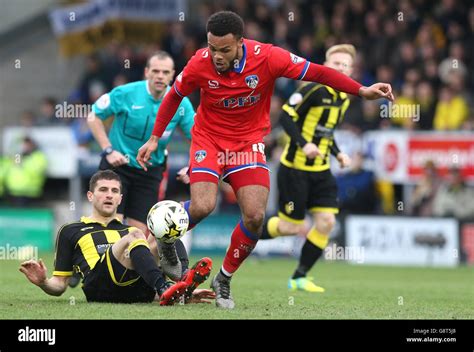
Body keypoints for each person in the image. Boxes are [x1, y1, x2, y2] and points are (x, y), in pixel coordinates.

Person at [137, 11, 394, 309]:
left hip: (248, 144)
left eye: (224, 49)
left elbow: (318, 72)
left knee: (255, 217)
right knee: (203, 206)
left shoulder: (269, 57)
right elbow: (174, 96)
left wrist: (361, 90)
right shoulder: (199, 62)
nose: (216, 56)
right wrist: (155, 137)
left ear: (240, 43)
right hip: (208, 140)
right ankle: (164, 237)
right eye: (212, 48)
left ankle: (223, 279)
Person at [19, 170, 214, 305]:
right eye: (103, 190)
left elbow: (143, 271)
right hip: (99, 288)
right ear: (90, 195)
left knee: (161, 231)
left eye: (114, 191)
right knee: (137, 235)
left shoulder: (126, 230)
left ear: (120, 199)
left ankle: (183, 279)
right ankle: (166, 285)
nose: (109, 195)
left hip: (135, 291)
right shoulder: (71, 230)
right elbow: (60, 285)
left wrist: (182, 296)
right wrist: (44, 282)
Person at [87, 51, 195, 281]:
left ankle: (134, 280)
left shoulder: (181, 103)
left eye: (165, 72)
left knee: (139, 233)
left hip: (150, 172)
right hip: (117, 166)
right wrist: (108, 149)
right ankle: (88, 268)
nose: (159, 76)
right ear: (146, 72)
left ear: (173, 75)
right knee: (110, 222)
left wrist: (194, 165)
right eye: (155, 71)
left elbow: (197, 137)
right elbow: (93, 116)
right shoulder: (126, 93)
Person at [258, 44, 357, 293]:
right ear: (326, 65)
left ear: (351, 69)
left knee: (326, 222)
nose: (341, 68)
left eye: (345, 65)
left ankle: (299, 277)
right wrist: (304, 145)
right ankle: (247, 234)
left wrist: (338, 154)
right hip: (295, 169)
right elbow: (285, 116)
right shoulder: (312, 89)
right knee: (288, 227)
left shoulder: (343, 99)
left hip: (321, 170)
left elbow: (326, 132)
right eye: (336, 64)